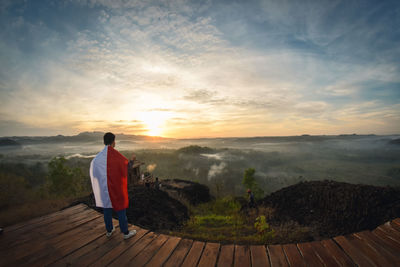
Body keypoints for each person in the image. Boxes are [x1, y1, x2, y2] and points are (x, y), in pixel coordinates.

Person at [90, 132, 136, 239]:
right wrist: (132, 161)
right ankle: (125, 233)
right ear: (113, 141)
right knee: (120, 209)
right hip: (115, 187)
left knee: (107, 209)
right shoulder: (116, 155)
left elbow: (95, 172)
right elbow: (126, 166)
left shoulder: (97, 158)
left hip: (104, 188)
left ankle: (109, 231)